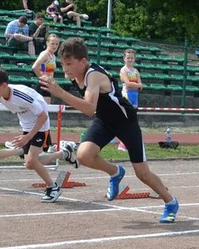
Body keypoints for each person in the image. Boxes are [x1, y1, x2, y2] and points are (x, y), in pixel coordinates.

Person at [38, 36, 179, 223]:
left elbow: (88, 108)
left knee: (142, 173)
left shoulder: (93, 75)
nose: (65, 68)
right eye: (63, 64)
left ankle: (170, 202)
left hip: (125, 121)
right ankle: (115, 172)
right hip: (104, 120)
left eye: (69, 64)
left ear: (83, 62)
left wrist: (60, 93)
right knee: (83, 155)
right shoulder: (72, 74)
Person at [0, 68, 80, 201]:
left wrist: (28, 137)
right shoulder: (1, 96)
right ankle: (64, 153)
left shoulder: (21, 96)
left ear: (4, 85)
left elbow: (43, 116)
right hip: (28, 126)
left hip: (40, 125)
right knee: (30, 163)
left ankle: (53, 187)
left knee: (32, 160)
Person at [117, 48, 143, 151]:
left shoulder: (136, 71)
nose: (130, 60)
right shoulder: (123, 70)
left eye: (132, 58)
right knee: (125, 120)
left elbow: (141, 86)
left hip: (134, 96)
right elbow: (127, 84)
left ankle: (130, 142)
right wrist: (136, 85)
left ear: (134, 59)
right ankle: (122, 143)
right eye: (128, 58)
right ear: (124, 58)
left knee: (132, 120)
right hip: (126, 95)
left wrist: (136, 85)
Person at [32, 32, 60, 102]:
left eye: (57, 44)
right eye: (52, 44)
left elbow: (47, 70)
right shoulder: (45, 54)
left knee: (47, 109)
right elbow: (35, 67)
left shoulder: (53, 56)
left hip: (48, 84)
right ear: (47, 43)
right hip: (43, 84)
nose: (55, 46)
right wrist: (42, 78)